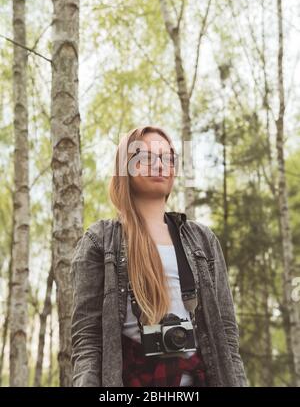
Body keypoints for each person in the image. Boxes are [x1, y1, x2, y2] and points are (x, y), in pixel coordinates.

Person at [70, 125, 248, 387]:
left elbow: (227, 335)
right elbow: (87, 339)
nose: (160, 164)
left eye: (167, 158)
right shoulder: (101, 240)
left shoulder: (202, 240)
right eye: (147, 157)